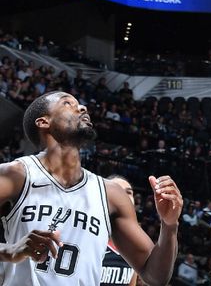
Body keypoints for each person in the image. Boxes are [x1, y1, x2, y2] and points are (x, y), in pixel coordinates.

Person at [0, 91, 183, 286]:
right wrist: (9, 251)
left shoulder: (110, 194)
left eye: (80, 104)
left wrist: (170, 225)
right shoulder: (15, 175)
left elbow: (155, 276)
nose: (82, 107)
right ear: (44, 122)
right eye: (67, 103)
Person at [100, 175, 138, 286]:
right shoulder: (86, 239)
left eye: (129, 192)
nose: (123, 196)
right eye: (116, 190)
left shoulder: (134, 246)